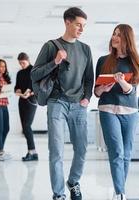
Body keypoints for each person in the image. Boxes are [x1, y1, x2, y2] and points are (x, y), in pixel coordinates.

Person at [31, 7, 94, 200]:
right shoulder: (51, 46)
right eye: (78, 24)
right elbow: (34, 74)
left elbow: (89, 78)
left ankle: (73, 181)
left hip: (79, 105)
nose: (82, 29)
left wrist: (87, 98)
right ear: (67, 22)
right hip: (57, 102)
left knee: (81, 148)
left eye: (84, 26)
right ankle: (59, 195)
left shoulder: (85, 49)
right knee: (56, 150)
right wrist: (55, 61)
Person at [94, 24, 139, 200]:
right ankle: (120, 192)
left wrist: (121, 82)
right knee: (116, 152)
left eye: (119, 35)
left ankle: (120, 187)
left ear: (127, 39)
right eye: (114, 34)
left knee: (126, 153)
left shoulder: (136, 61)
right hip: (107, 110)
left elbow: (132, 90)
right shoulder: (103, 60)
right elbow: (96, 92)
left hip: (130, 111)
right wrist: (104, 89)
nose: (114, 37)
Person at [14, 52, 38, 161]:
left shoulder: (34, 70)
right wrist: (18, 91)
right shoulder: (19, 73)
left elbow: (38, 86)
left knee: (27, 126)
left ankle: (32, 152)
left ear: (28, 60)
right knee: (25, 127)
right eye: (20, 63)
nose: (22, 65)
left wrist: (30, 93)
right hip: (22, 101)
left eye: (23, 63)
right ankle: (32, 152)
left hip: (31, 101)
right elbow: (17, 87)